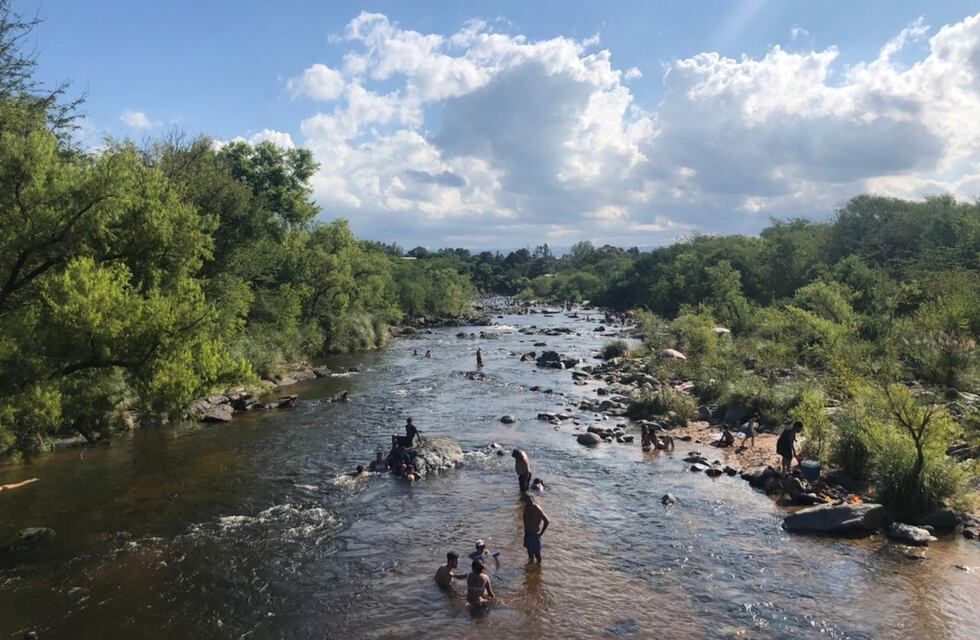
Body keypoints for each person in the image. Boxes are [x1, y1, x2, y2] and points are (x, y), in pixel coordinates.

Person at [522, 494, 549, 564]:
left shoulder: (536, 508)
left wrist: (541, 533)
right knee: (530, 557)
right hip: (527, 535)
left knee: (538, 557)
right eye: (527, 500)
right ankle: (532, 570)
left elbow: (546, 521)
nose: (528, 502)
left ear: (533, 500)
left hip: (534, 535)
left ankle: (539, 569)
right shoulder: (526, 508)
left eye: (530, 500)